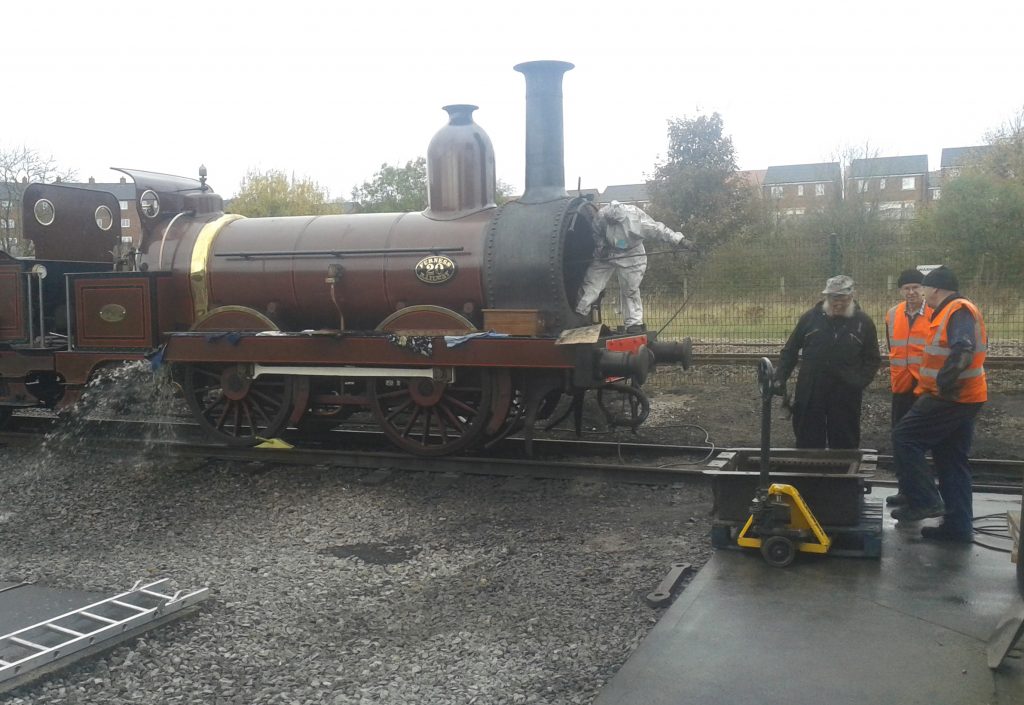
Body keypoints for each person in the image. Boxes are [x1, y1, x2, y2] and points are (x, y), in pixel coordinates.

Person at [891, 266, 987, 543]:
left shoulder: (957, 309)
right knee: (951, 459)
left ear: (933, 289)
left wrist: (944, 383)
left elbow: (963, 348)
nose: (920, 293)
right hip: (966, 397)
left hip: (951, 397)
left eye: (923, 288)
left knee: (904, 437)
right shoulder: (949, 310)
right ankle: (958, 526)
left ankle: (924, 500)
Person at [773, 275, 881, 449]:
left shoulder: (863, 323)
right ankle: (807, 475)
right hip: (811, 387)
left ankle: (842, 475)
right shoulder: (810, 318)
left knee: (845, 439)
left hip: (846, 390)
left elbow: (873, 358)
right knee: (808, 438)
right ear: (825, 297)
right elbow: (790, 351)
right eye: (832, 298)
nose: (837, 304)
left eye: (842, 299)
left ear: (852, 296)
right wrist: (780, 377)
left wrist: (860, 381)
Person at [575, 200, 694, 334]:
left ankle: (633, 325)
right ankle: (579, 315)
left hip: (631, 253)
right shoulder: (602, 216)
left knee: (630, 290)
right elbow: (596, 233)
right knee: (592, 283)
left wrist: (679, 241)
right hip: (606, 253)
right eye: (610, 222)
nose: (612, 224)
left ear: (622, 219)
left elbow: (658, 230)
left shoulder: (636, 218)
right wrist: (601, 247)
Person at [883, 268, 934, 507]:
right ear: (901, 290)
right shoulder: (892, 314)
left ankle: (925, 495)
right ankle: (906, 490)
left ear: (923, 289)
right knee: (899, 439)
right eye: (907, 288)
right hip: (901, 385)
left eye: (916, 287)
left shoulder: (936, 313)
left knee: (920, 441)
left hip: (926, 387)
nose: (911, 292)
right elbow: (891, 346)